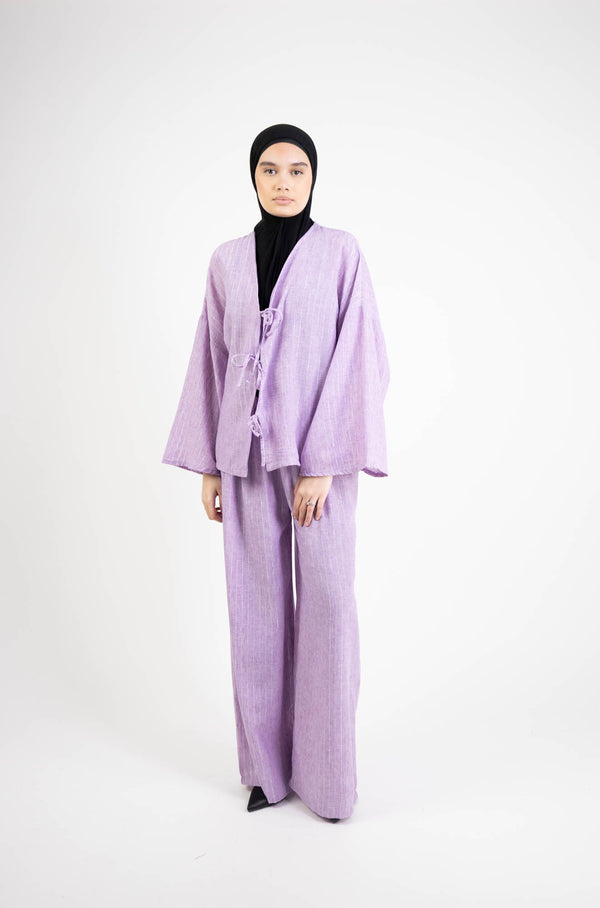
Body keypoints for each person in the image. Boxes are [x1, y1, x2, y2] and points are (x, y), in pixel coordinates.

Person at [162, 123, 390, 822]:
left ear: (313, 178)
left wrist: (324, 463)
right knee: (255, 609)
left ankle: (327, 777)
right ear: (253, 177)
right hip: (243, 457)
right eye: (270, 169)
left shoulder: (342, 252)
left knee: (328, 604)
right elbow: (210, 356)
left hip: (320, 461)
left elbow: (359, 355)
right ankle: (266, 770)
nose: (283, 181)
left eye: (297, 169)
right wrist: (210, 463)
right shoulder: (227, 260)